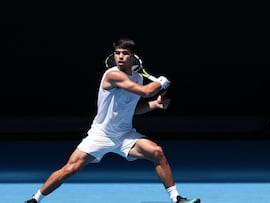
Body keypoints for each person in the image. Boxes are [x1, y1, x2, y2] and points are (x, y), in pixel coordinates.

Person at [25, 38, 200, 203]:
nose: (120, 57)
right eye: (117, 53)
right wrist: (160, 82)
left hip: (125, 134)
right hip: (101, 134)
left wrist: (154, 105)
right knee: (69, 169)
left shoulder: (138, 78)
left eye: (125, 53)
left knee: (157, 152)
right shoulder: (112, 75)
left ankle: (176, 198)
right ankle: (35, 199)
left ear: (133, 56)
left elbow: (132, 109)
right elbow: (146, 91)